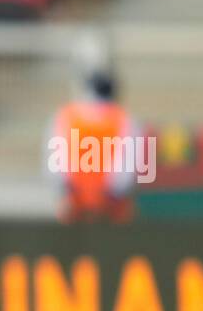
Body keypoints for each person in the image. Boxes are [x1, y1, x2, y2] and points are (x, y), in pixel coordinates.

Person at [45, 70, 142, 223]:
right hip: (111, 204)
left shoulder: (66, 115)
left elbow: (56, 163)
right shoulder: (124, 119)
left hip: (75, 201)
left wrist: (65, 189)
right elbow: (125, 169)